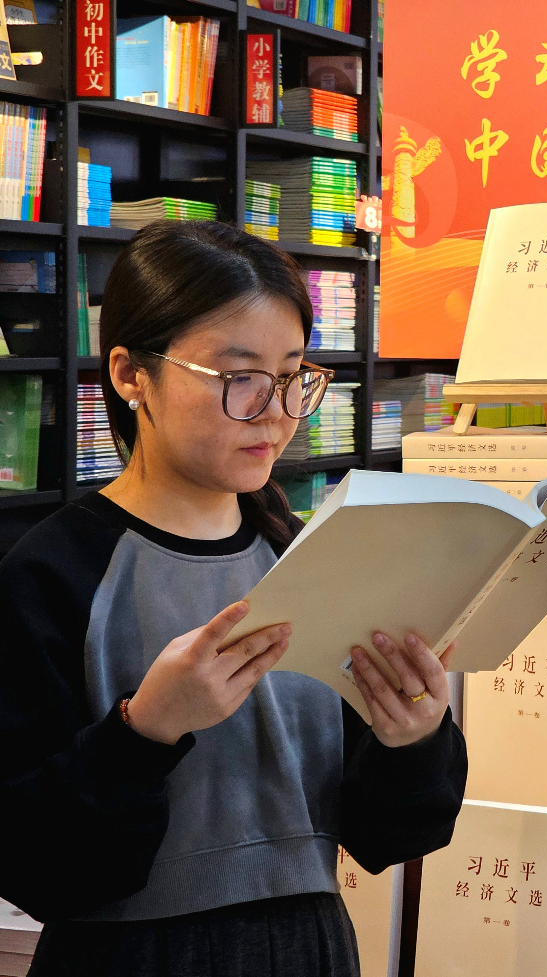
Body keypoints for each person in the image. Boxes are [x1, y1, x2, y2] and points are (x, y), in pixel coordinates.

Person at [0, 221, 467, 976]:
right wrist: (143, 732)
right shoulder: (52, 573)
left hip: (311, 948)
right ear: (131, 374)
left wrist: (414, 738)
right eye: (239, 377)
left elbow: (389, 835)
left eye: (292, 375)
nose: (277, 411)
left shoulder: (309, 558)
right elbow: (33, 867)